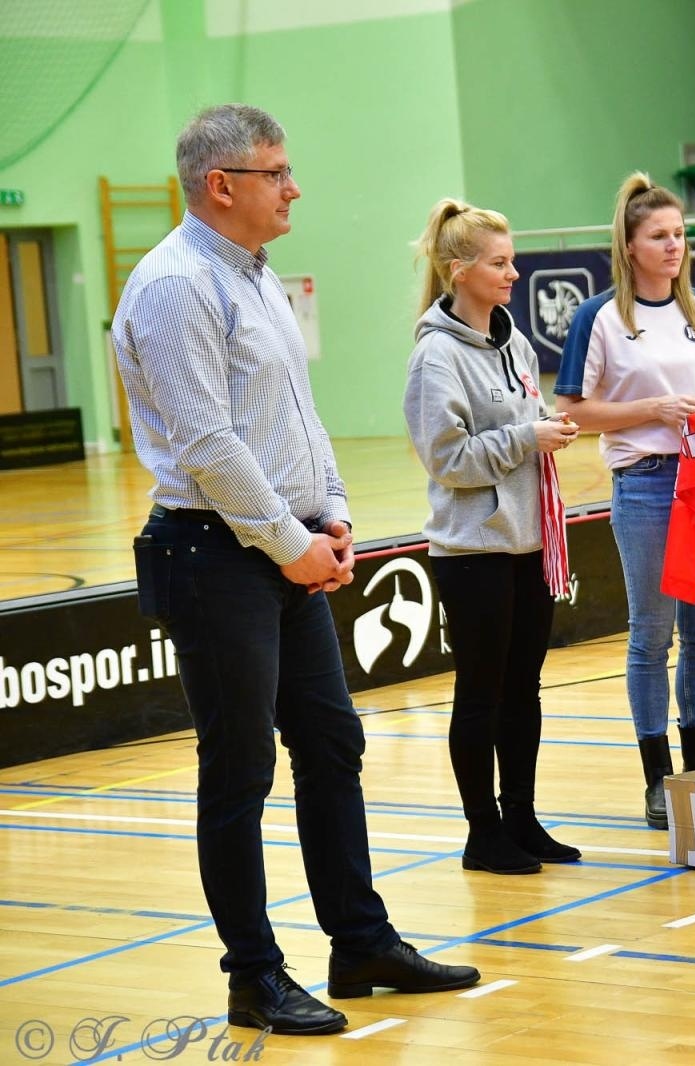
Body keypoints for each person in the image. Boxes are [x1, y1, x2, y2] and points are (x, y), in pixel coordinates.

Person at [112, 104, 479, 1036]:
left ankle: (359, 943)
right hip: (212, 555)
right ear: (221, 185)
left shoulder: (260, 278)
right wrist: (292, 541)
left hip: (283, 547)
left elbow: (295, 418)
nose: (294, 186)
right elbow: (208, 445)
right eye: (276, 172)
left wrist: (337, 510)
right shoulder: (173, 286)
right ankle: (254, 977)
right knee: (237, 773)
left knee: (331, 746)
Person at [555, 175, 695, 828]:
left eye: (680, 234)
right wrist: (653, 410)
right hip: (644, 485)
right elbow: (574, 411)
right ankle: (656, 779)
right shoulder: (602, 319)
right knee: (652, 632)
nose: (674, 246)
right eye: (660, 236)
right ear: (631, 246)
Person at [404, 199, 583, 875]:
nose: (514, 274)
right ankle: (483, 833)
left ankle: (523, 818)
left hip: (528, 542)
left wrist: (546, 430)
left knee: (523, 689)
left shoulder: (513, 340)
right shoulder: (436, 357)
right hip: (473, 551)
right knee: (480, 692)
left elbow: (521, 423)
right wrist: (523, 438)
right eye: (500, 263)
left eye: (512, 261)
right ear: (460, 271)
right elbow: (447, 460)